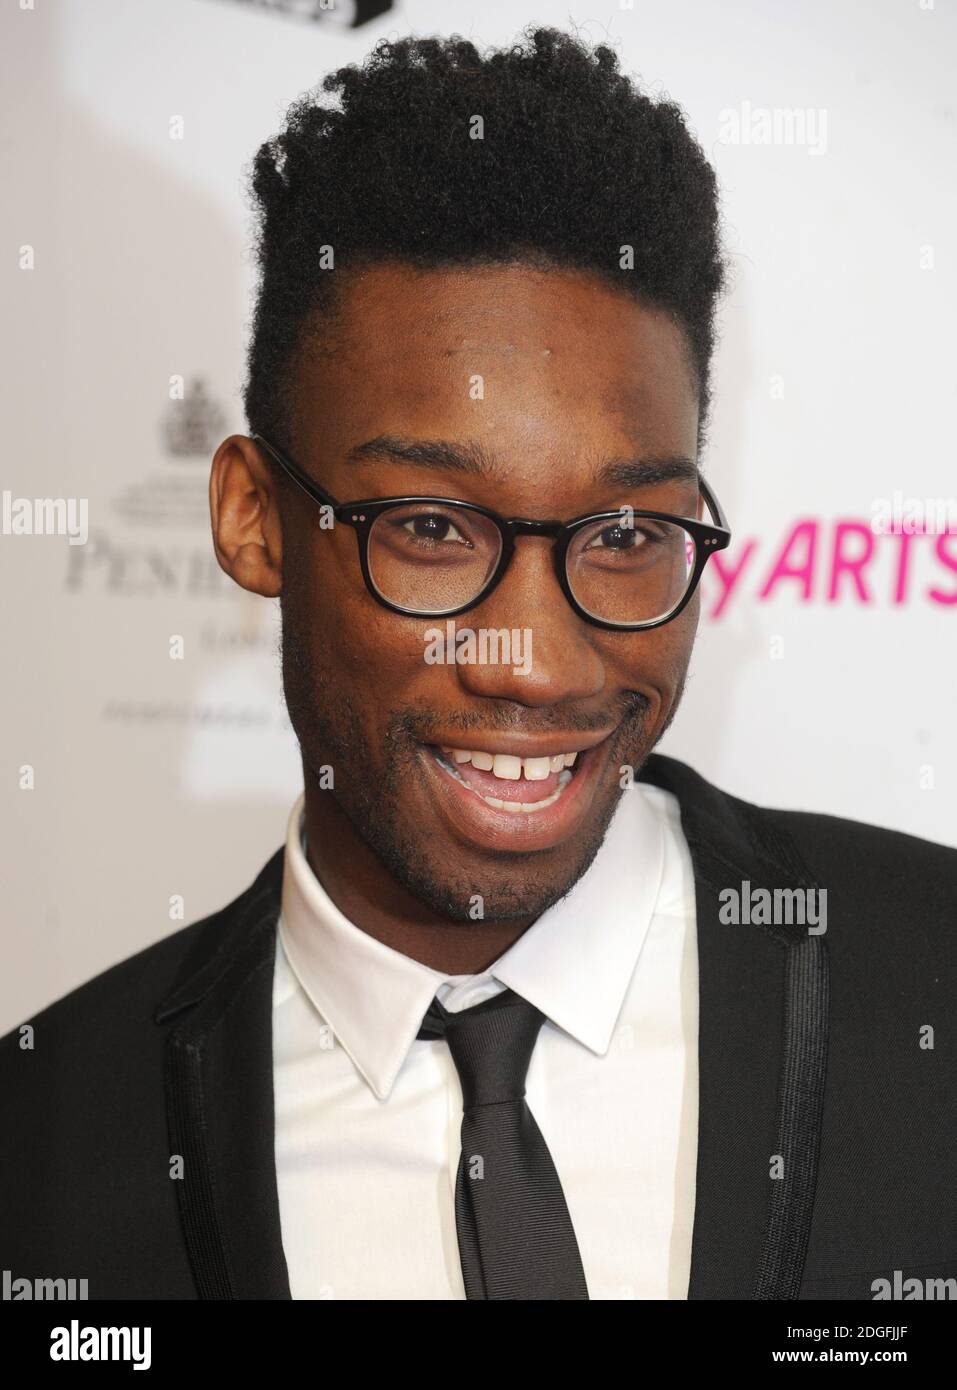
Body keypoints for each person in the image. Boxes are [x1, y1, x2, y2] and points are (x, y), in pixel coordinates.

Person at [2, 27, 956, 1303]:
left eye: (626, 535)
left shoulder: (928, 975)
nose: (538, 665)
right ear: (250, 518)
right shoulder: (46, 1149)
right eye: (433, 529)